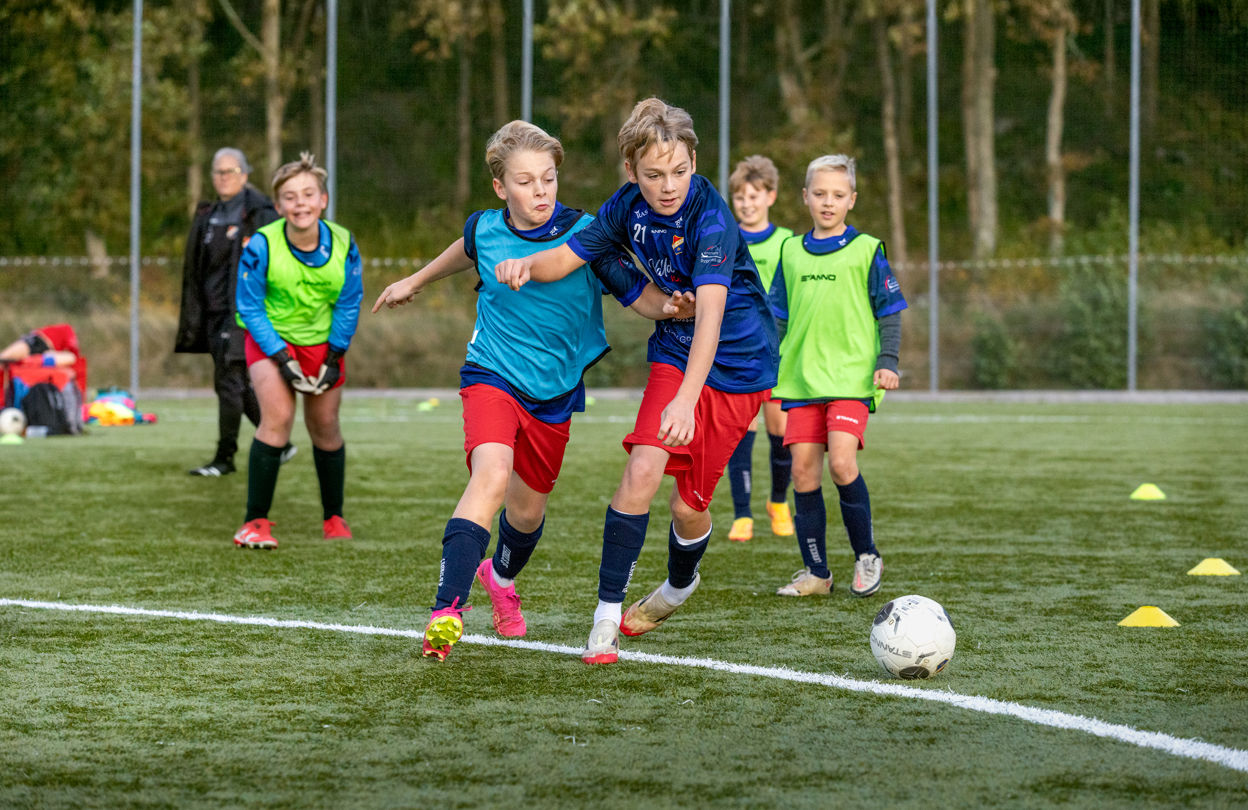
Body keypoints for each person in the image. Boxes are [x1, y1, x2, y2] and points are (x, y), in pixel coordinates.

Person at [372, 120, 694, 662]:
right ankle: (446, 610)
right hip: (492, 375)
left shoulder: (589, 234)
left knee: (525, 517)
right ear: (502, 188)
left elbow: (633, 290)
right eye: (526, 181)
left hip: (556, 391)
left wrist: (668, 306)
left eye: (548, 178)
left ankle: (500, 577)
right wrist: (415, 281)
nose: (541, 190)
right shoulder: (485, 228)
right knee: (491, 475)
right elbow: (466, 247)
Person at [496, 98, 779, 665]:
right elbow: (568, 256)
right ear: (631, 171)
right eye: (653, 175)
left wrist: (686, 401)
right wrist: (526, 265)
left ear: (694, 161)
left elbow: (712, 318)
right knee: (641, 471)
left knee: (687, 506)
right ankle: (604, 621)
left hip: (739, 363)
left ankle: (679, 585)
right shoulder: (625, 207)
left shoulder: (712, 219)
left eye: (678, 171)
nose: (667, 186)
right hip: (676, 346)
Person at [768, 154, 906, 599]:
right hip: (801, 381)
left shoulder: (867, 250)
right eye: (820, 194)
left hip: (850, 379)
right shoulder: (790, 251)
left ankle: (867, 554)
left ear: (852, 200)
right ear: (805, 197)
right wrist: (761, 364)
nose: (828, 203)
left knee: (843, 463)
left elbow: (890, 313)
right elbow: (776, 318)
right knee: (804, 474)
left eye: (838, 195)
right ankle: (817, 573)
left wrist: (888, 360)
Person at [232, 152, 363, 549]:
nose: (300, 203)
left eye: (308, 194)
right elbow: (250, 306)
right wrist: (283, 359)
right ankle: (254, 523)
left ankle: (334, 517)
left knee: (325, 427)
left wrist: (334, 355)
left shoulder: (343, 242)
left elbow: (349, 301)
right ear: (278, 206)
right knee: (279, 417)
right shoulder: (262, 245)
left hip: (323, 343)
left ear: (323, 199)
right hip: (271, 337)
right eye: (290, 197)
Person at [175, 147, 293, 477]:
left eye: (230, 171)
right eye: (218, 172)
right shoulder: (208, 214)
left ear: (244, 174)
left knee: (229, 383)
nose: (223, 178)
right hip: (212, 313)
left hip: (243, 312)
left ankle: (224, 459)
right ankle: (280, 442)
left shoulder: (260, 212)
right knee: (234, 383)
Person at [724, 155, 795, 543]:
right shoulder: (725, 237)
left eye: (754, 196)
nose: (746, 203)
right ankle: (742, 514)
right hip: (738, 351)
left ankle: (779, 503)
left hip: (778, 352)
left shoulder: (788, 242)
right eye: (739, 197)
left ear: (771, 196)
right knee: (741, 430)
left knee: (779, 429)